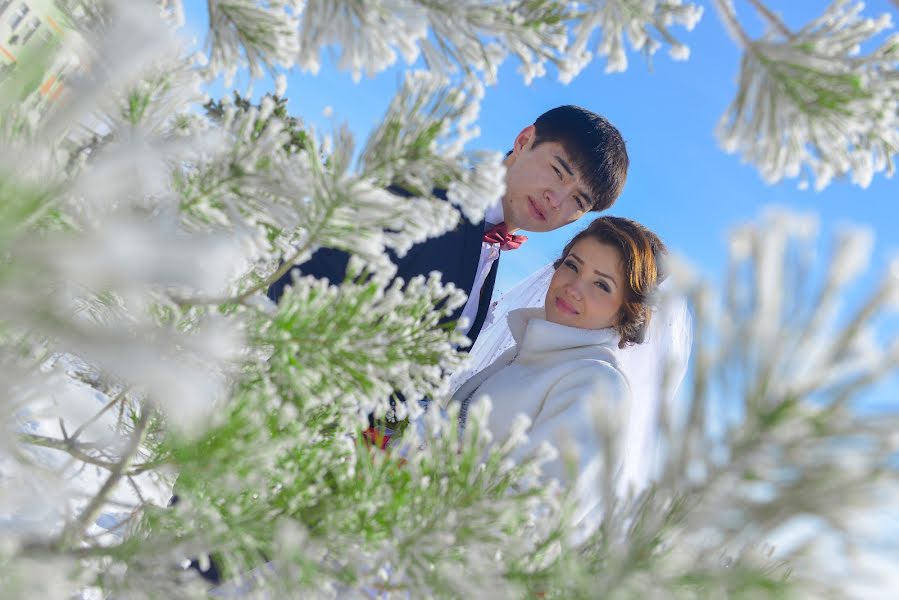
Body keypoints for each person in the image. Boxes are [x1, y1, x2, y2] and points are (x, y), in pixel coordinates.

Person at [267, 105, 629, 347]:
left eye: (578, 201)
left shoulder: (492, 247)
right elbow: (295, 283)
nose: (557, 200)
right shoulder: (416, 194)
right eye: (557, 171)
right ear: (524, 141)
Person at [444, 216, 675, 533]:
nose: (573, 288)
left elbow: (536, 513)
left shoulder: (598, 386)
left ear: (627, 310)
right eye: (572, 266)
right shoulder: (521, 355)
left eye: (601, 285)